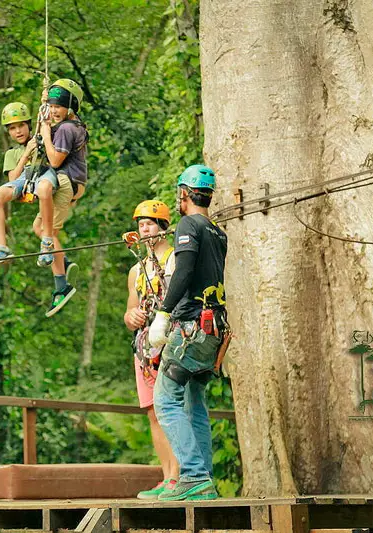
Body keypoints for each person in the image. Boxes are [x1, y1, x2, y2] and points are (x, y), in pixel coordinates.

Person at [148, 165, 228, 501]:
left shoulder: (188, 225)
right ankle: (203, 479)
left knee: (165, 401)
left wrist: (163, 314)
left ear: (184, 193)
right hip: (214, 328)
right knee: (195, 400)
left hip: (192, 325)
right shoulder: (218, 232)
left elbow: (183, 272)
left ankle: (193, 475)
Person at [0, 79, 88, 317]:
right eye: (12, 128)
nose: (18, 131)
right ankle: (1, 246)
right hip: (27, 178)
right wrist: (28, 152)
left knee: (42, 222)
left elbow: (47, 124)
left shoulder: (53, 131)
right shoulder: (15, 151)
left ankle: (56, 265)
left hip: (48, 176)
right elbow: (13, 176)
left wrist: (44, 104)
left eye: (21, 125)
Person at [122, 200, 179, 499]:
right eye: (140, 224)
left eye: (150, 223)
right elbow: (130, 311)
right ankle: (166, 475)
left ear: (163, 227)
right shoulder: (136, 270)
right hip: (145, 348)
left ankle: (179, 477)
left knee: (172, 409)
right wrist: (131, 317)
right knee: (154, 413)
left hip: (169, 342)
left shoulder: (175, 259)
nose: (144, 228)